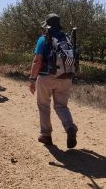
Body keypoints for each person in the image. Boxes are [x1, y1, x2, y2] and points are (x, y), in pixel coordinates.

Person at [29, 13, 78, 148]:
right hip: (66, 77)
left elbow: (37, 60)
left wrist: (32, 79)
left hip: (46, 77)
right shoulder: (67, 39)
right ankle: (70, 127)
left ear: (48, 26)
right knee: (62, 106)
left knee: (44, 106)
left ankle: (46, 135)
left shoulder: (43, 39)